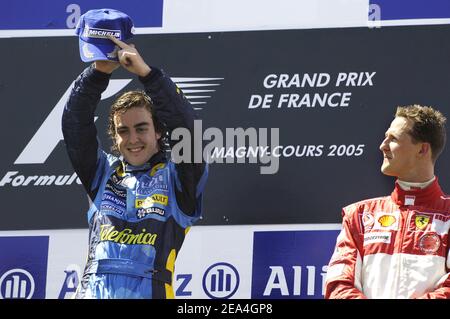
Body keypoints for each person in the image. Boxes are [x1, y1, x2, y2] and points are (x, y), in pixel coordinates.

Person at [62, 9, 207, 299]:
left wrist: (147, 74)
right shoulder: (101, 173)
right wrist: (98, 73)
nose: (133, 139)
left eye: (141, 128)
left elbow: (188, 132)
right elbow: (75, 123)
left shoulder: (179, 179)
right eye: (123, 131)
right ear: (114, 137)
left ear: (159, 133)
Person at [324, 105, 450, 299]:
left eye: (393, 139)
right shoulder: (358, 215)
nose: (382, 145)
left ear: (422, 149)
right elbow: (337, 285)